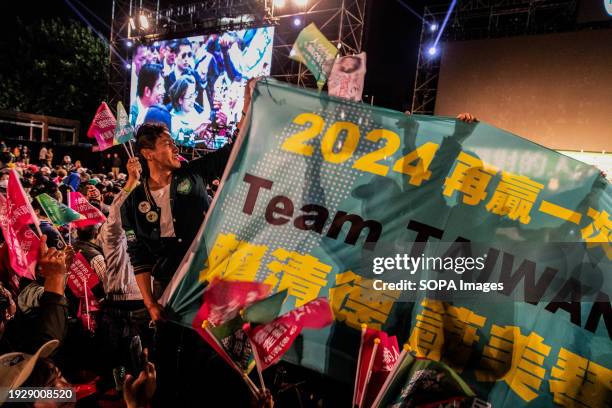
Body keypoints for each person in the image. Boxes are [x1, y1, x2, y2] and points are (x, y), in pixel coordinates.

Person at [168, 76, 211, 146]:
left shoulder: (191, 111)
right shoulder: (173, 121)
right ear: (180, 100)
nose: (193, 100)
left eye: (194, 94)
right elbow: (182, 147)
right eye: (190, 96)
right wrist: (195, 132)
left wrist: (202, 134)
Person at [164, 39, 204, 106]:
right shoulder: (168, 79)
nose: (186, 59)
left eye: (189, 55)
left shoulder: (195, 76)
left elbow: (200, 103)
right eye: (183, 55)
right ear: (175, 56)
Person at [130, 63, 165, 128]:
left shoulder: (159, 112)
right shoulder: (131, 115)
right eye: (159, 87)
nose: (163, 91)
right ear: (147, 91)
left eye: (163, 86)